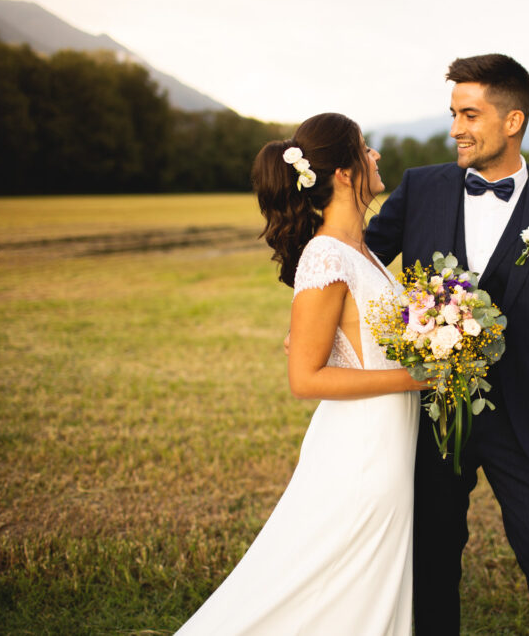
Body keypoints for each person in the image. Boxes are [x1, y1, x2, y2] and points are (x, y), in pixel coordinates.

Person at [365, 53, 529, 635]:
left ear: (512, 121)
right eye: (453, 114)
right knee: (433, 561)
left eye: (469, 115)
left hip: (527, 422)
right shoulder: (421, 188)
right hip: (431, 416)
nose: (455, 129)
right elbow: (357, 262)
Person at [176, 112, 428, 635]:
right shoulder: (325, 256)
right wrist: (414, 378)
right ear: (343, 172)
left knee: (356, 587)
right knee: (330, 584)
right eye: (365, 147)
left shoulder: (364, 253)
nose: (375, 156)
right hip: (360, 452)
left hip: (387, 442)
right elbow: (305, 378)